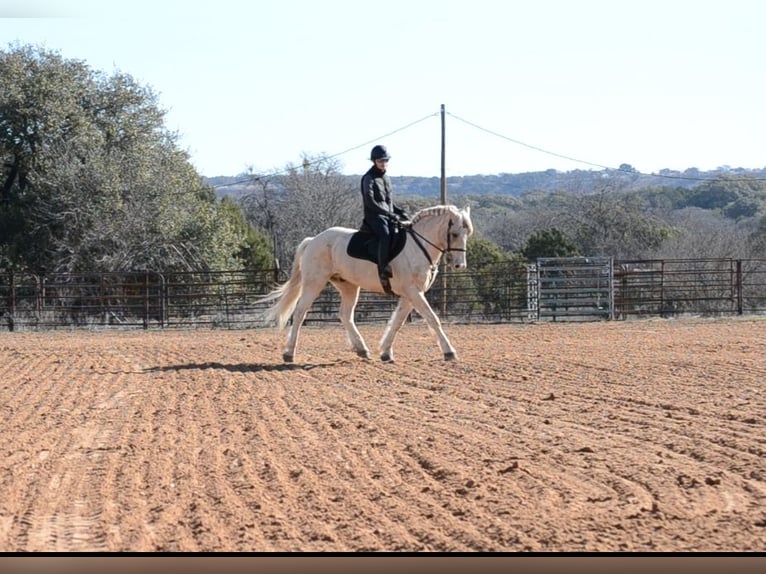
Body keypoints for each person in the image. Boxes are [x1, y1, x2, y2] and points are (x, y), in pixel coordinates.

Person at [360, 144, 410, 291]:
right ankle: (382, 269)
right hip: (374, 217)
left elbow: (389, 202)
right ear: (374, 161)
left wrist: (400, 212)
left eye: (385, 160)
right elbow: (370, 202)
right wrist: (388, 213)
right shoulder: (368, 178)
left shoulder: (386, 178)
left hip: (387, 216)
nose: (383, 163)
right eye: (381, 160)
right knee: (385, 235)